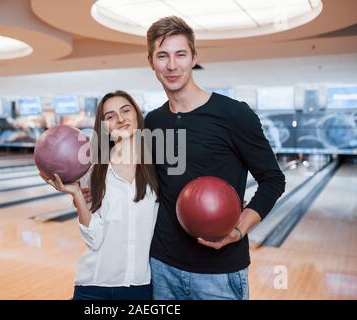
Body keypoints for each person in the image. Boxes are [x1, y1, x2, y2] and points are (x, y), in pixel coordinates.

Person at [142, 16, 286, 300]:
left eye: (180, 54)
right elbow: (150, 186)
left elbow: (273, 180)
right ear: (151, 62)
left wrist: (239, 229)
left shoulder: (234, 114)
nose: (172, 65)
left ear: (194, 57)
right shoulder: (153, 121)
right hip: (161, 267)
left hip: (219, 275)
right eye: (163, 56)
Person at [41, 90, 159, 300]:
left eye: (125, 111)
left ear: (137, 115)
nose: (120, 119)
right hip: (93, 288)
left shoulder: (157, 170)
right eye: (110, 116)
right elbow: (94, 239)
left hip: (139, 288)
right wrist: (77, 195)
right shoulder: (93, 172)